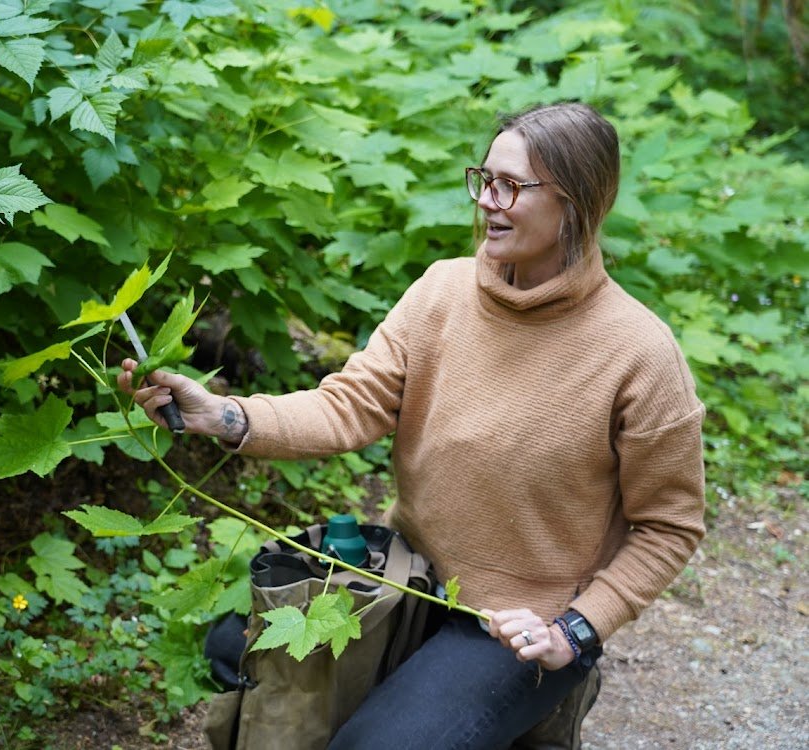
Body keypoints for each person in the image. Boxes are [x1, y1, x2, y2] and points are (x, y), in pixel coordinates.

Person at [118, 102, 706, 749]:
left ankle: (532, 714)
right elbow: (348, 405)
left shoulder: (638, 353)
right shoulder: (441, 292)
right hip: (407, 577)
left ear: (578, 202)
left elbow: (668, 526)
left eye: (510, 186)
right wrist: (224, 415)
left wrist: (575, 630)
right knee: (234, 648)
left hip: (517, 627)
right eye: (484, 179)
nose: (487, 201)